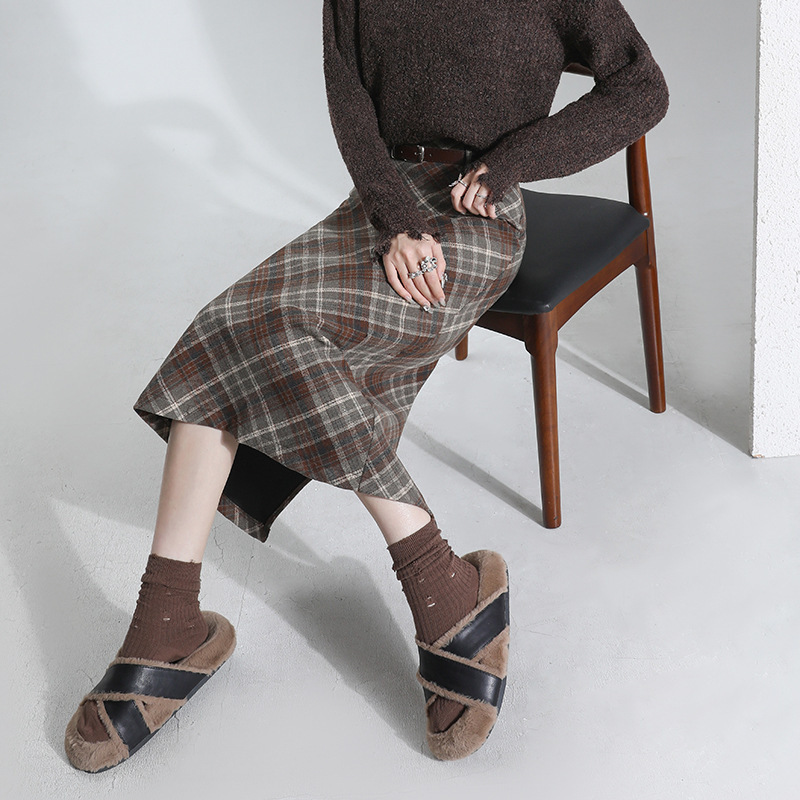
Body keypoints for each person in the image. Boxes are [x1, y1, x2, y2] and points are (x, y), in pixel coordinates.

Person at [64, 0, 668, 772]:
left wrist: (513, 161)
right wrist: (394, 219)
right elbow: (349, 101)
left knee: (279, 333)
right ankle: (179, 613)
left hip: (478, 218)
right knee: (229, 321)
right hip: (379, 210)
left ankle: (415, 578)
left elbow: (642, 87)